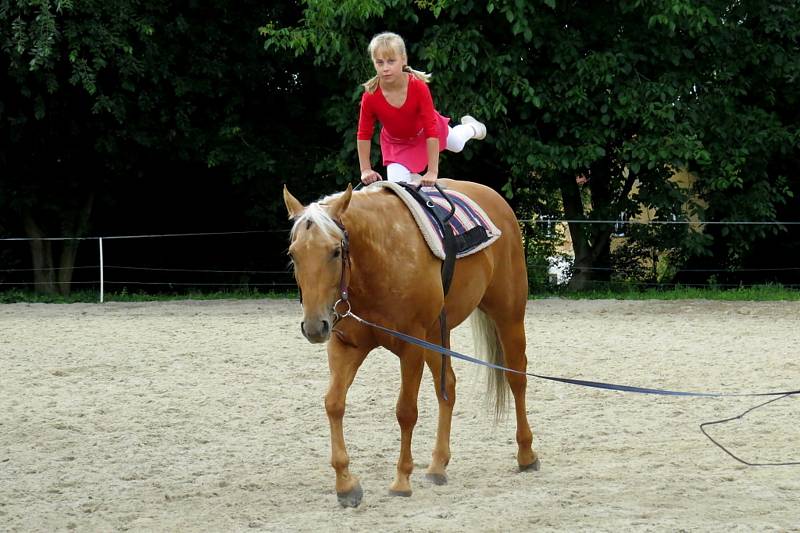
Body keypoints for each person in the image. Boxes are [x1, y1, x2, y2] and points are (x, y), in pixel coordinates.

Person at [357, 32, 487, 187]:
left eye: (391, 61)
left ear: (403, 59)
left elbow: (431, 130)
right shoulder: (370, 95)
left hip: (427, 132)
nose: (385, 68)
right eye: (380, 63)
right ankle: (414, 181)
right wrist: (365, 169)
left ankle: (472, 127)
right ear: (373, 63)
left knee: (457, 144)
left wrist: (432, 171)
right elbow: (364, 133)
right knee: (398, 188)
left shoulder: (418, 87)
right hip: (398, 145)